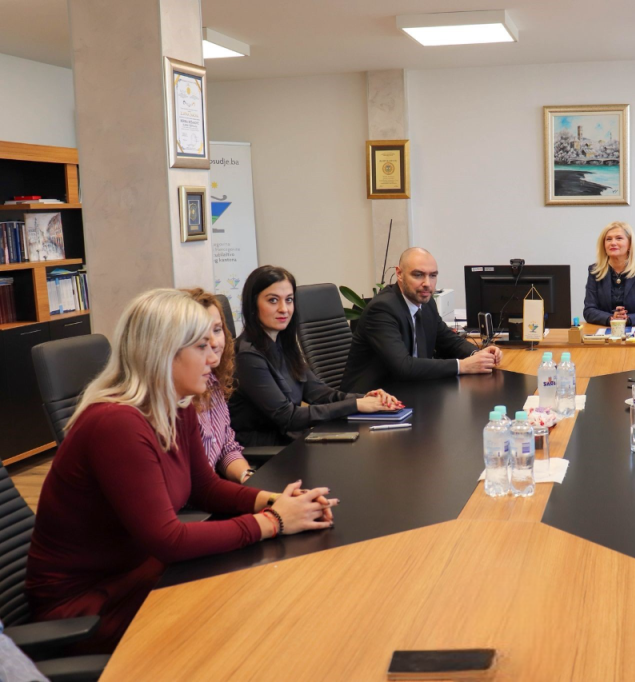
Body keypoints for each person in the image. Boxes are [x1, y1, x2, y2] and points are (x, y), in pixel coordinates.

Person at [26, 289, 340, 654]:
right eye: (201, 347)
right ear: (164, 353)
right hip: (90, 608)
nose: (213, 357)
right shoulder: (116, 424)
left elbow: (204, 486)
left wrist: (277, 501)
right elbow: (168, 539)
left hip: (146, 573)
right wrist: (273, 522)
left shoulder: (178, 403)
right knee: (251, 622)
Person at [230, 266, 401, 446]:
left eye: (289, 300)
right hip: (267, 451)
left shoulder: (283, 344)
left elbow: (320, 394)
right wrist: (356, 405)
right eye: (273, 300)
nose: (284, 309)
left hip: (291, 441)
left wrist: (365, 398)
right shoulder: (248, 356)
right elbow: (288, 417)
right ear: (253, 305)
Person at [341, 247, 502, 393]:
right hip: (370, 399)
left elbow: (448, 340)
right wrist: (463, 366)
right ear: (399, 274)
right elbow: (403, 367)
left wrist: (478, 355)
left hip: (410, 392)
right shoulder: (382, 309)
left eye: (433, 276)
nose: (427, 283)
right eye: (418, 275)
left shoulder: (427, 303)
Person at [182, 288, 256, 483]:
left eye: (217, 330)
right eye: (202, 335)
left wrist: (248, 478)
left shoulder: (212, 382)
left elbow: (226, 447)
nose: (214, 342)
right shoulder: (176, 399)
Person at [583, 221, 635, 326]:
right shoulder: (595, 270)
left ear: (629, 244)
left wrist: (627, 319)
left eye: (619, 238)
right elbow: (589, 311)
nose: (613, 243)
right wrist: (611, 318)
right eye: (608, 239)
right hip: (605, 330)